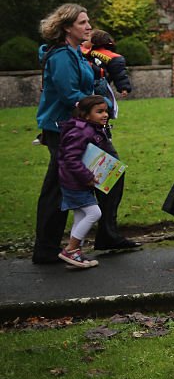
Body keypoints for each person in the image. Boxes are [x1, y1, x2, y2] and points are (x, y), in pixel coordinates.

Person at [33, 4, 107, 264]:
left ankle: (101, 235)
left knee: (103, 174)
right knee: (56, 188)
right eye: (82, 23)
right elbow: (69, 94)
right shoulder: (62, 56)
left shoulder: (75, 53)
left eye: (88, 22)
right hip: (62, 128)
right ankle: (46, 248)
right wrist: (97, 107)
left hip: (77, 127)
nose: (88, 27)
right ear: (66, 27)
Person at [81, 29, 138, 251]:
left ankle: (106, 234)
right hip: (83, 129)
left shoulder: (82, 56)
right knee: (109, 174)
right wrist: (101, 104)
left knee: (111, 174)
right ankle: (102, 235)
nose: (87, 29)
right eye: (83, 25)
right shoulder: (69, 57)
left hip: (93, 127)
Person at [56, 96, 117, 269]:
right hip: (75, 182)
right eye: (99, 112)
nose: (105, 115)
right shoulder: (81, 131)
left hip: (77, 181)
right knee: (94, 213)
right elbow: (71, 159)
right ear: (85, 115)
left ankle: (75, 254)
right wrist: (87, 177)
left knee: (80, 215)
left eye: (106, 111)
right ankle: (71, 249)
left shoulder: (90, 128)